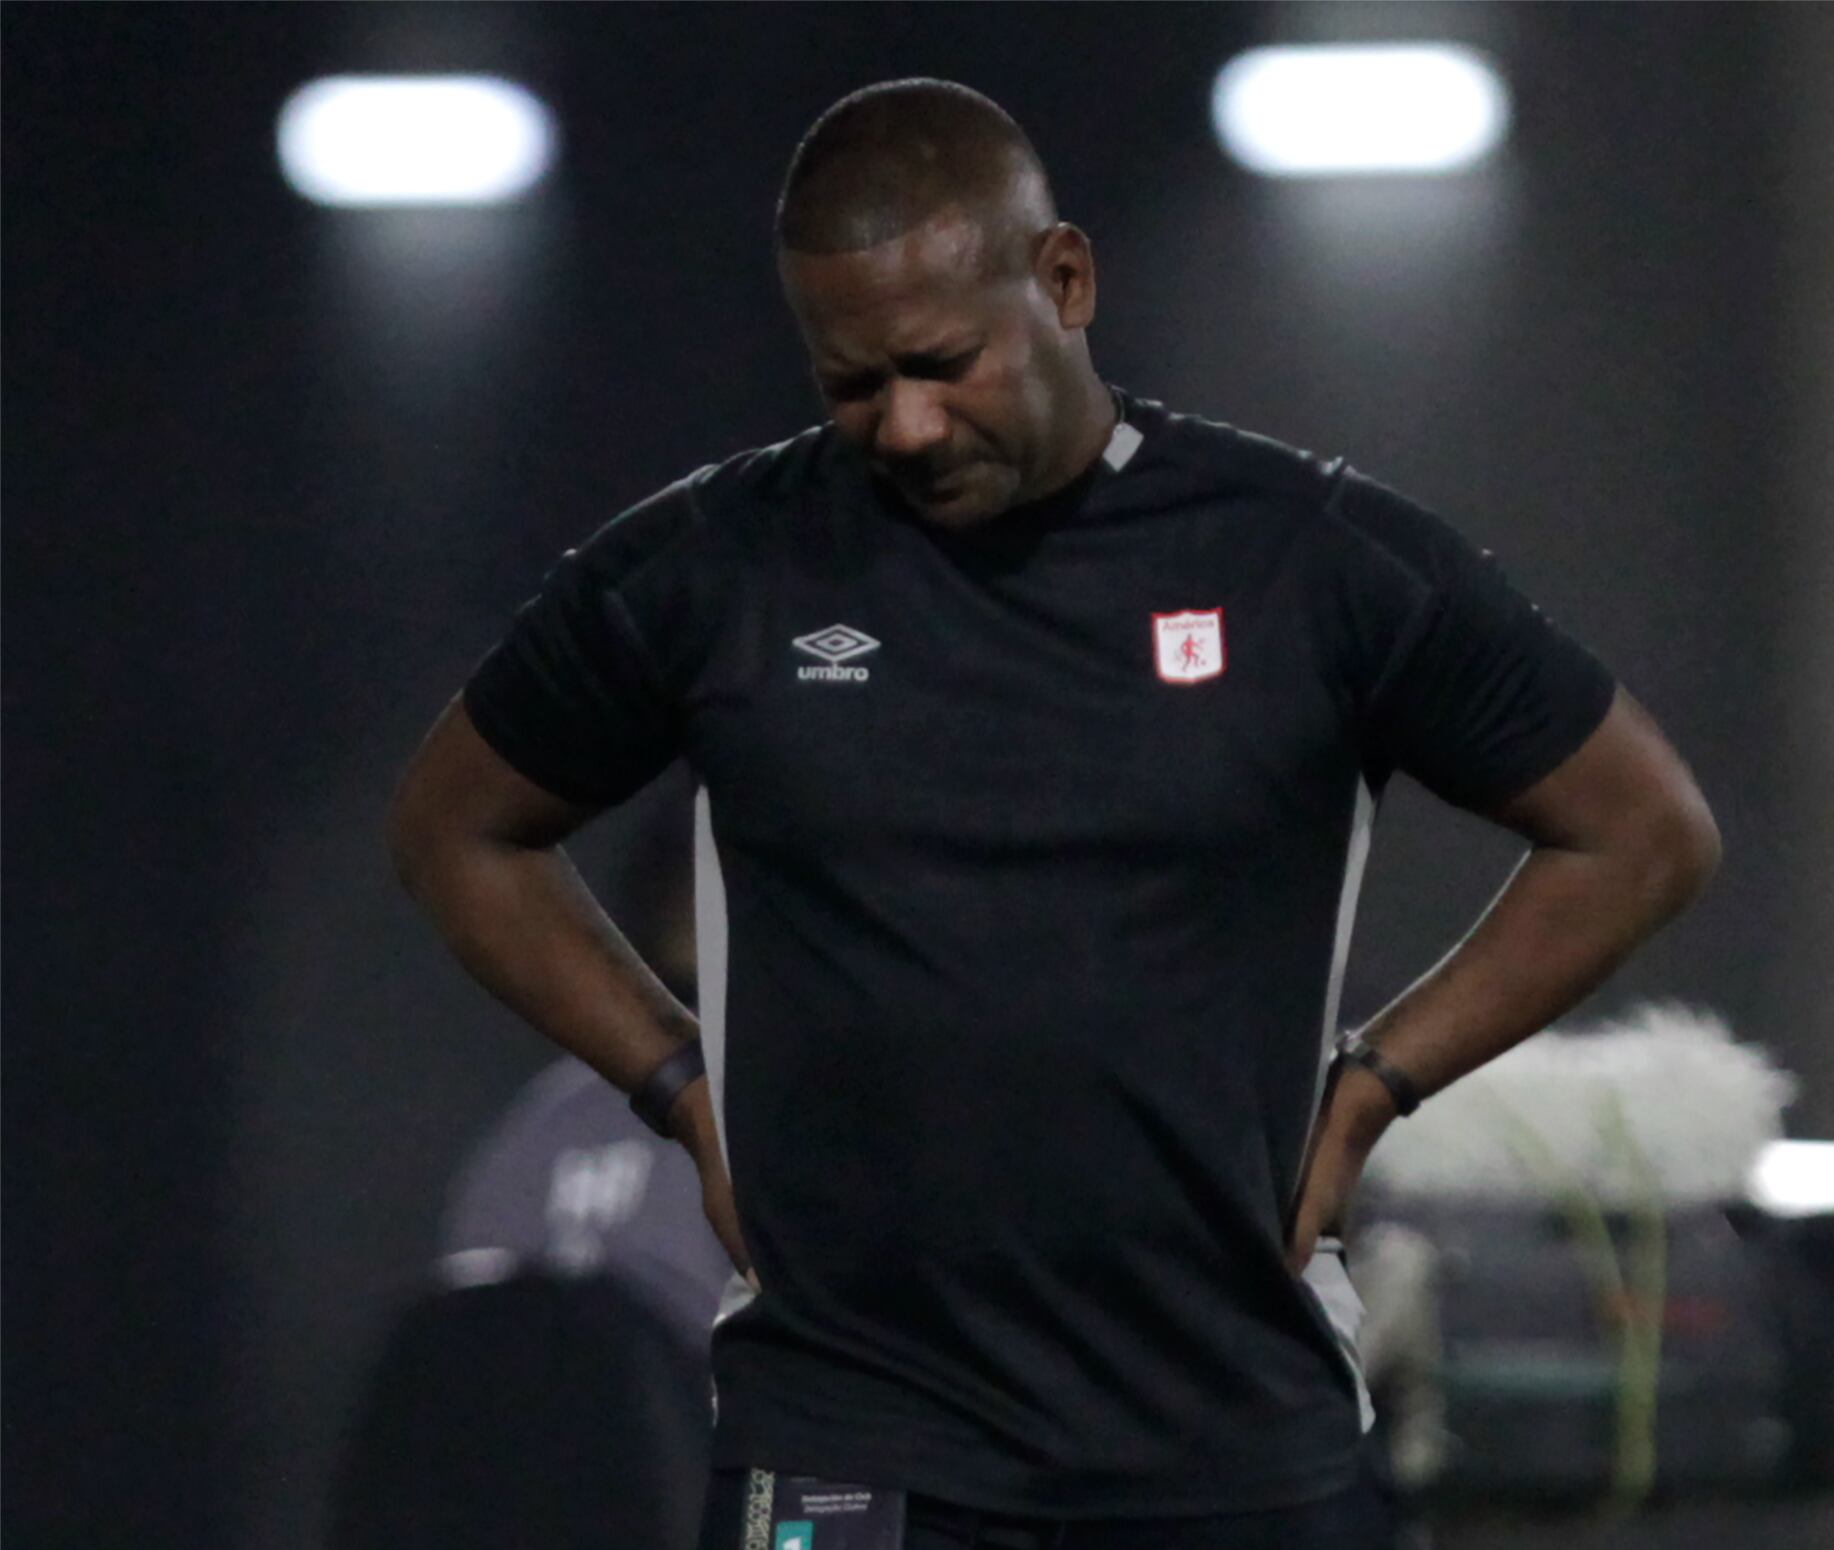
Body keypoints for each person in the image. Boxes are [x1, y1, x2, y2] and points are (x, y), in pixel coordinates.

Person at [388, 77, 1720, 1550]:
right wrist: (676, 1090)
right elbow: (457, 825)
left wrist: (1377, 1085)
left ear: (1065, 278)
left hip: (1232, 1449)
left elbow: (1642, 828)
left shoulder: (1305, 558)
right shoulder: (722, 566)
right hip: (850, 1439)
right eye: (846, 384)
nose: (899, 423)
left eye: (939, 362)